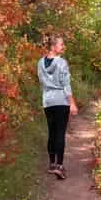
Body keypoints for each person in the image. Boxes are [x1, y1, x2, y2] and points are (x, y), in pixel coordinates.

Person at [38, 34, 77, 179]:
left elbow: (41, 81)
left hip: (47, 100)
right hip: (60, 99)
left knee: (52, 132)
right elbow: (66, 84)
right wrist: (72, 103)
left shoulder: (40, 63)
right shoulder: (62, 63)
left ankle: (52, 164)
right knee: (60, 133)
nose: (63, 47)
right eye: (61, 44)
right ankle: (60, 167)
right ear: (53, 47)